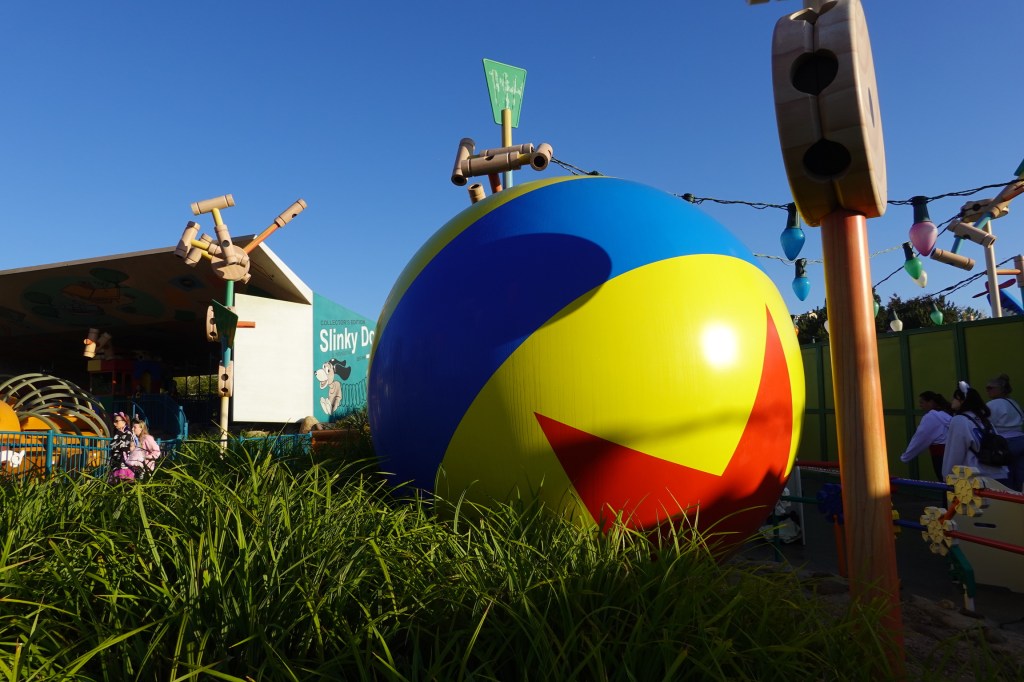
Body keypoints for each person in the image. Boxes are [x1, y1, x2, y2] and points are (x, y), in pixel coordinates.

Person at [942, 381, 1010, 485]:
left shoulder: (959, 420)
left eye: (955, 398)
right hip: (1000, 474)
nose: (952, 400)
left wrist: (947, 475)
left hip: (976, 478)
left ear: (962, 400)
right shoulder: (984, 419)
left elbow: (954, 451)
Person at [898, 391, 953, 482]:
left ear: (931, 402)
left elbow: (920, 438)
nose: (920, 405)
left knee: (945, 483)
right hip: (952, 453)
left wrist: (906, 456)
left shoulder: (932, 416)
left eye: (922, 402)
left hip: (940, 456)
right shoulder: (947, 414)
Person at [985, 373, 1024, 491]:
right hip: (1020, 439)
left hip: (1004, 442)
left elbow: (985, 423)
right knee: (1020, 474)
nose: (987, 390)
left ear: (1000, 389)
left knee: (1005, 476)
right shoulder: (1013, 402)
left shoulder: (992, 405)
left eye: (990, 388)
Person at [107, 411, 136, 483]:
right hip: (116, 463)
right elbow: (112, 446)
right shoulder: (118, 433)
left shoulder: (127, 433)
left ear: (124, 422)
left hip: (124, 465)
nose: (114, 423)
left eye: (117, 421)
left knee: (123, 485)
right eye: (114, 421)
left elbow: (120, 447)